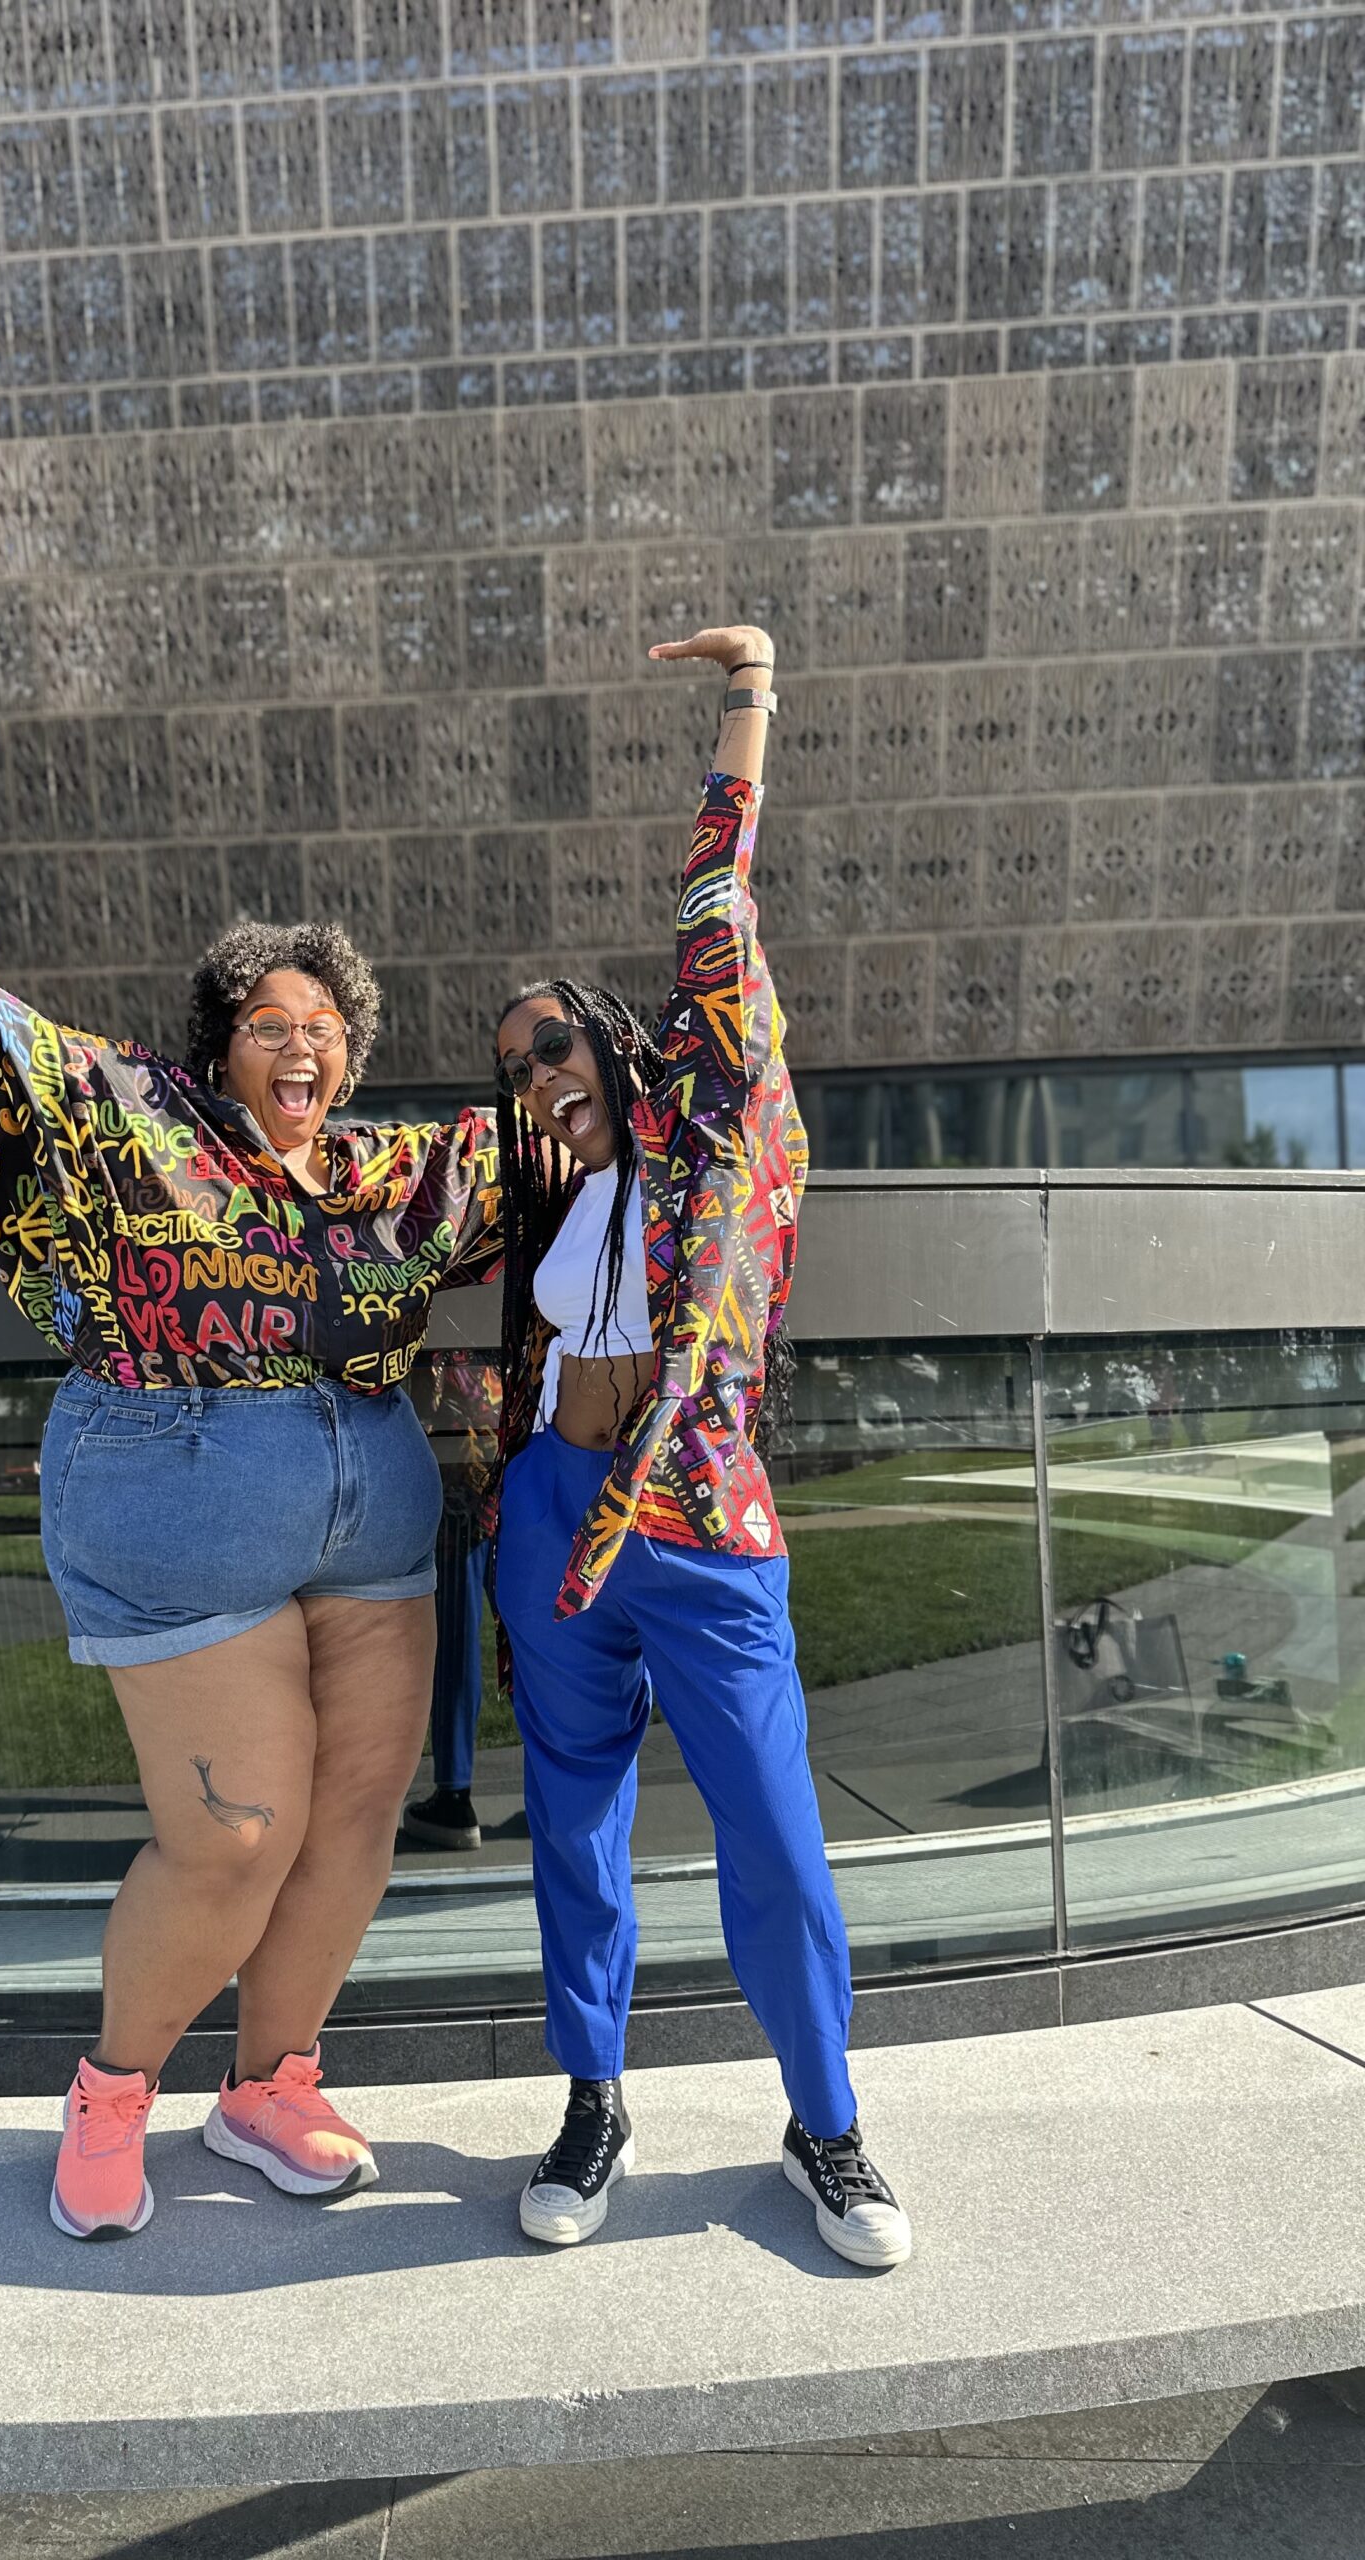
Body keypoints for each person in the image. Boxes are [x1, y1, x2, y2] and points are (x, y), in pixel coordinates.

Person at [0, 772, 498, 2241]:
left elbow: (580, 1126)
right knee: (237, 1835)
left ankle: (273, 2086)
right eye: (271, 1023)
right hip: (179, 1487)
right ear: (222, 1044)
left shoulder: (400, 1173)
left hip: (373, 1509)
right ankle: (115, 2091)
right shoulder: (136, 1117)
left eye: (325, 1028)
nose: (301, 1044)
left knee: (355, 1820)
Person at [488, 622, 911, 2269]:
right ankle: (593, 2102)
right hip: (553, 1518)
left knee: (775, 1841)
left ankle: (827, 2126)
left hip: (698, 1525)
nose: (534, 1075)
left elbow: (714, 911)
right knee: (576, 1824)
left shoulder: (716, 1121)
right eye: (511, 1061)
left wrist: (750, 700)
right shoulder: (540, 1192)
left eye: (552, 1044)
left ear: (618, 1038)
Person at [401, 1350, 502, 1851]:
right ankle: (567, 1778)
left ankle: (454, 1792)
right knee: (532, 1642)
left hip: (459, 1490)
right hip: (510, 1484)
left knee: (456, 1646)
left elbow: (425, 1406)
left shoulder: (443, 1336)